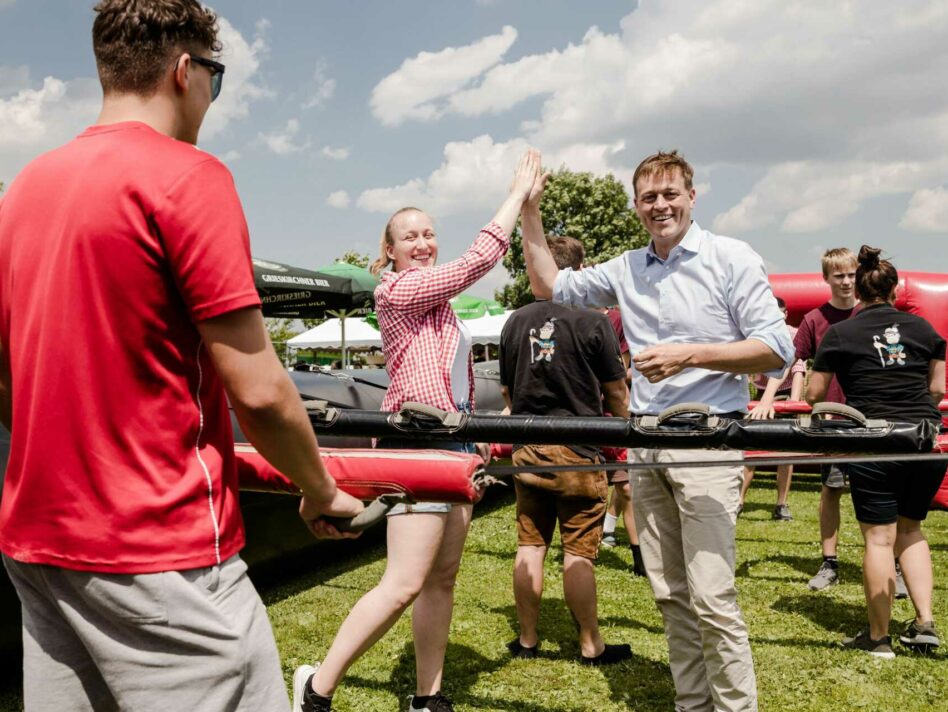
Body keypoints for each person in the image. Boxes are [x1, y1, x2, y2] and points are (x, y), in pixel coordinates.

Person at [0, 2, 363, 710]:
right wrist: (319, 491)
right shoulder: (188, 176)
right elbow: (258, 392)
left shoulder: (22, 192)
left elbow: (8, 383)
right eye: (215, 82)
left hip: (37, 542)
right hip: (160, 552)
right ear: (185, 71)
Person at [521, 149, 793, 712]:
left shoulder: (730, 257)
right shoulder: (627, 267)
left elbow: (776, 348)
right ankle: (691, 704)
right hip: (648, 447)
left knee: (712, 594)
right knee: (669, 592)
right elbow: (548, 284)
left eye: (671, 193)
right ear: (637, 207)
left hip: (709, 444)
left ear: (693, 196)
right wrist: (530, 210)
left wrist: (690, 356)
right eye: (649, 197)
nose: (661, 204)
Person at [293, 150, 541, 712]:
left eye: (429, 233)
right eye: (410, 237)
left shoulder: (443, 311)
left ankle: (427, 697)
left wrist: (476, 434)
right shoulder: (397, 292)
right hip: (415, 448)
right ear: (391, 252)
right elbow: (476, 262)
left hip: (450, 444)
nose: (423, 243)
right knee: (403, 583)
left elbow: (445, 381)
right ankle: (317, 688)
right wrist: (515, 198)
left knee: (442, 580)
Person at [807, 245, 945, 658]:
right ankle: (924, 624)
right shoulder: (925, 331)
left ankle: (879, 638)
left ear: (861, 291)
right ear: (895, 289)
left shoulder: (840, 333)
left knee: (880, 541)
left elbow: (816, 394)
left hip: (874, 441)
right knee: (911, 530)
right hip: (924, 441)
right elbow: (937, 389)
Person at [499, 235, 632, 665]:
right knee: (578, 554)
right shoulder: (594, 322)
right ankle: (591, 644)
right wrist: (628, 435)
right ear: (578, 271)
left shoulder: (514, 321)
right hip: (578, 452)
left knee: (530, 546)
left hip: (527, 452)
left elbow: (507, 390)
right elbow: (616, 394)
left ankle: (527, 639)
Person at [739, 296, 807, 520]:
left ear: (786, 313)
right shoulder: (756, 332)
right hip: (759, 394)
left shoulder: (794, 334)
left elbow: (797, 368)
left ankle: (781, 503)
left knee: (785, 452)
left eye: (779, 312)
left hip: (785, 394)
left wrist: (793, 404)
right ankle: (739, 500)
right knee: (751, 449)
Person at [599, 308, 647, 576]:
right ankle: (591, 543)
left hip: (615, 416)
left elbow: (624, 372)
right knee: (587, 488)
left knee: (626, 487)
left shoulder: (618, 318)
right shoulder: (568, 315)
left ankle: (640, 558)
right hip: (584, 415)